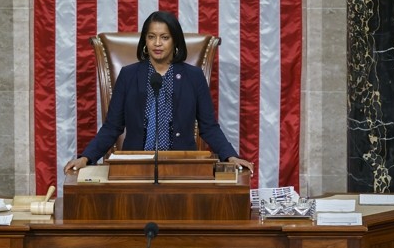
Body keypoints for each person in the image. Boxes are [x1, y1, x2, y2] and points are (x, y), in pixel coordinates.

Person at [63, 10, 253, 175]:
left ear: (175, 41)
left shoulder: (193, 77)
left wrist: (230, 156)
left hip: (182, 165)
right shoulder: (129, 75)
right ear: (145, 40)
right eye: (151, 36)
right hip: (135, 165)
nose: (157, 43)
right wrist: (86, 157)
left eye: (164, 37)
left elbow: (209, 127)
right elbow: (112, 126)